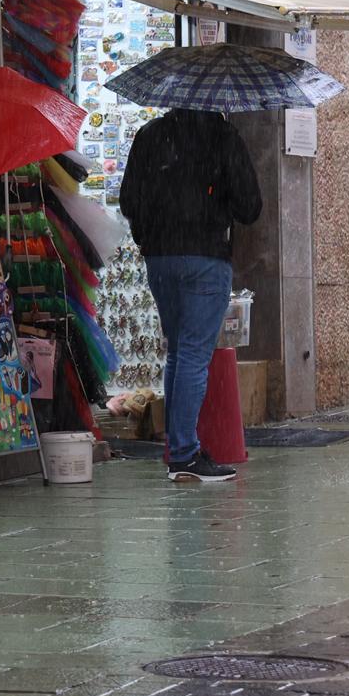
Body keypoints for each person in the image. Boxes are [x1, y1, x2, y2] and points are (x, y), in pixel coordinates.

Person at [120, 109, 262, 483]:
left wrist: (150, 236)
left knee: (179, 352)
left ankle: (177, 449)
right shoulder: (222, 136)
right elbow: (250, 206)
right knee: (194, 355)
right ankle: (184, 454)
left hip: (160, 258)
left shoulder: (150, 134)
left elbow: (129, 201)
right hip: (205, 257)